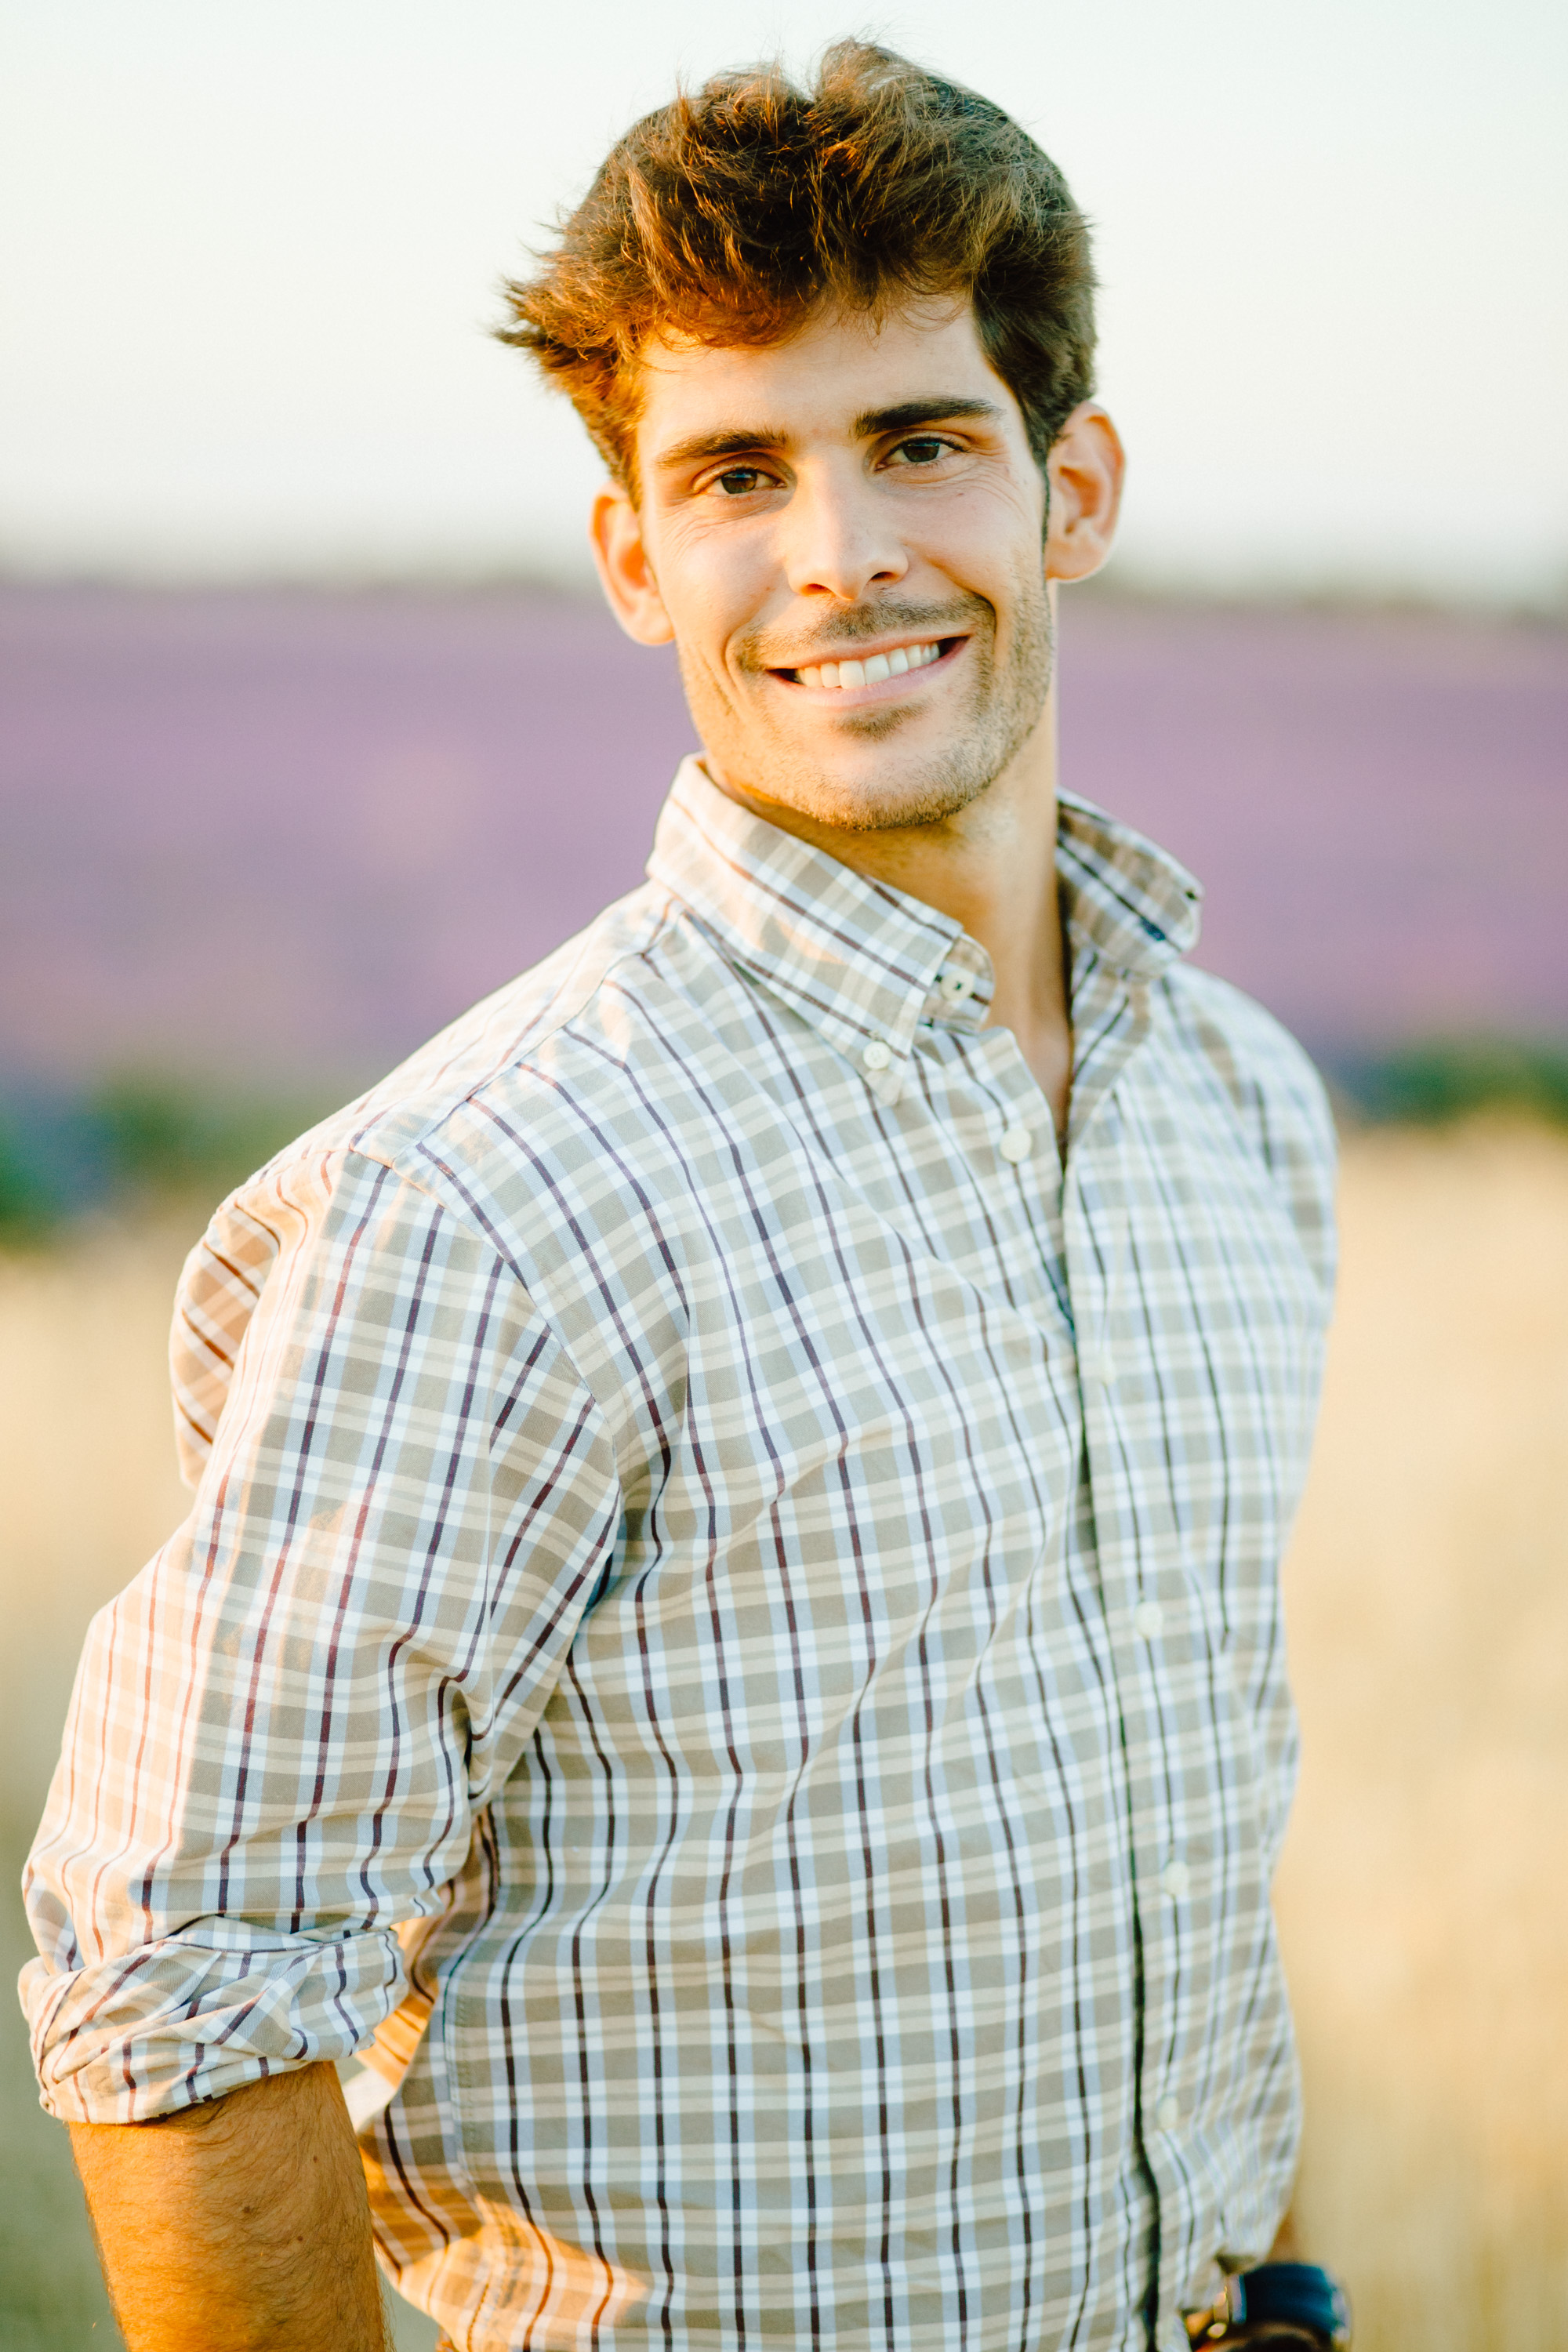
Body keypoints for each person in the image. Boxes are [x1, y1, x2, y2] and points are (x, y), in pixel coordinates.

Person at [21, 40, 1348, 2352]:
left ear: (1075, 488)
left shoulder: (1236, 1116)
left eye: (923, 439)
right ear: (639, 556)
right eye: (740, 469)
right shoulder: (491, 1200)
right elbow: (180, 1969)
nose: (842, 553)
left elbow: (1189, 1832)